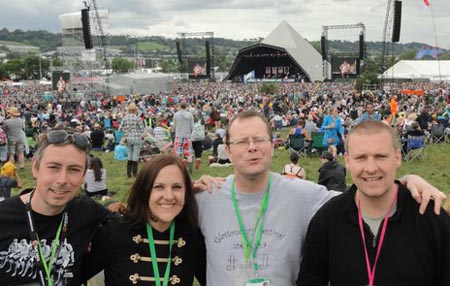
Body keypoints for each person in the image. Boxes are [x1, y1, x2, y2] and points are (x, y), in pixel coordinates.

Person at [195, 111, 446, 286]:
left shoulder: (306, 196)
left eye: (259, 139)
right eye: (241, 141)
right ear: (227, 150)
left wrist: (408, 180)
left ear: (273, 145)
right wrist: (188, 188)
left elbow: (366, 194)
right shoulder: (203, 199)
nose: (251, 147)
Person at [297, 120, 450, 286]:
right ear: (347, 161)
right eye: (361, 157)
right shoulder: (328, 218)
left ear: (397, 157)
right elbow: (310, 280)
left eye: (381, 156)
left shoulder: (431, 218)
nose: (371, 168)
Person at [0, 128, 110, 285]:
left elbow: (130, 223)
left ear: (84, 174)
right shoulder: (3, 217)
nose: (62, 180)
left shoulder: (88, 212)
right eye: (53, 167)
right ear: (35, 168)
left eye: (74, 169)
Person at [82, 154, 206, 286]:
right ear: (144, 190)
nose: (169, 196)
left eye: (177, 187)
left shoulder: (193, 237)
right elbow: (71, 276)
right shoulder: (114, 232)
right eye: (158, 187)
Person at [119, 103, 145, 178]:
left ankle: (128, 174)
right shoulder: (137, 118)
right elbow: (142, 129)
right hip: (136, 138)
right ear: (135, 110)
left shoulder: (125, 118)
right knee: (135, 155)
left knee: (129, 154)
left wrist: (126, 130)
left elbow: (120, 129)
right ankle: (135, 173)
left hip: (128, 138)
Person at [173, 100, 195, 172]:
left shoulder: (176, 114)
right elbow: (192, 127)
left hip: (179, 135)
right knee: (189, 153)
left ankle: (178, 168)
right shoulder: (190, 115)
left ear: (180, 106)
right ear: (186, 106)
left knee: (178, 154)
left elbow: (174, 126)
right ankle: (190, 169)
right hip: (187, 135)